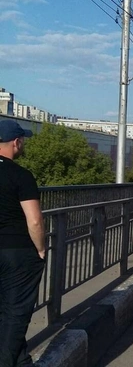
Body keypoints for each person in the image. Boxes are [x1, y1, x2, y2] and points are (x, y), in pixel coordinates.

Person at [0, 119, 46, 367]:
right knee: (15, 315)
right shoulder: (21, 175)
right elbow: (35, 221)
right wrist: (40, 249)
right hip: (17, 254)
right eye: (23, 140)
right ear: (16, 143)